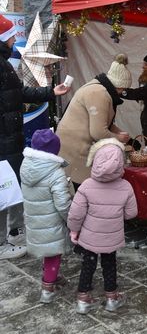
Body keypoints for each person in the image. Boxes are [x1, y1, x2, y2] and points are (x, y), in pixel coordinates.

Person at [0, 15, 70, 260]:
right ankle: (1, 242)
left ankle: (14, 231)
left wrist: (51, 91)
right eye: (11, 34)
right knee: (3, 189)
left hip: (10, 137)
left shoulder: (4, 63)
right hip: (3, 139)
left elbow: (19, 93)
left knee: (14, 186)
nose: (14, 38)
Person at [67, 138, 138, 314]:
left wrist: (74, 230)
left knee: (88, 265)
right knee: (110, 264)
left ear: (95, 161)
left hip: (89, 237)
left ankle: (83, 300)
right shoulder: (126, 186)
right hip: (112, 237)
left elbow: (76, 214)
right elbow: (131, 214)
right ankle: (112, 298)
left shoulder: (86, 186)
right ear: (120, 162)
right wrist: (115, 215)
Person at [56, 54, 132, 190]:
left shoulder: (98, 88)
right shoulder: (99, 93)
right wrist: (119, 138)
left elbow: (101, 122)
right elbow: (98, 132)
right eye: (124, 89)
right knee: (82, 192)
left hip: (72, 147)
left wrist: (118, 131)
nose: (123, 93)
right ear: (119, 86)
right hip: (75, 150)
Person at [20, 129, 72, 303]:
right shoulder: (55, 173)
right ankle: (47, 289)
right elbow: (63, 204)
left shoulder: (26, 165)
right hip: (51, 221)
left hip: (35, 219)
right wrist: (71, 219)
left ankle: (51, 278)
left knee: (47, 250)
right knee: (54, 253)